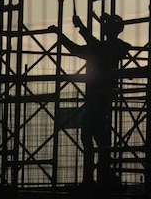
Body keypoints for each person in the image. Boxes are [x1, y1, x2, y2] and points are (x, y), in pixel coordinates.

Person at [49, 13, 130, 188]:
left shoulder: (111, 47)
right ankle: (102, 176)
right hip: (100, 98)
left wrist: (78, 29)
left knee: (90, 138)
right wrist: (65, 33)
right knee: (97, 139)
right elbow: (78, 48)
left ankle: (96, 178)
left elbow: (86, 47)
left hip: (99, 98)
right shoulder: (110, 47)